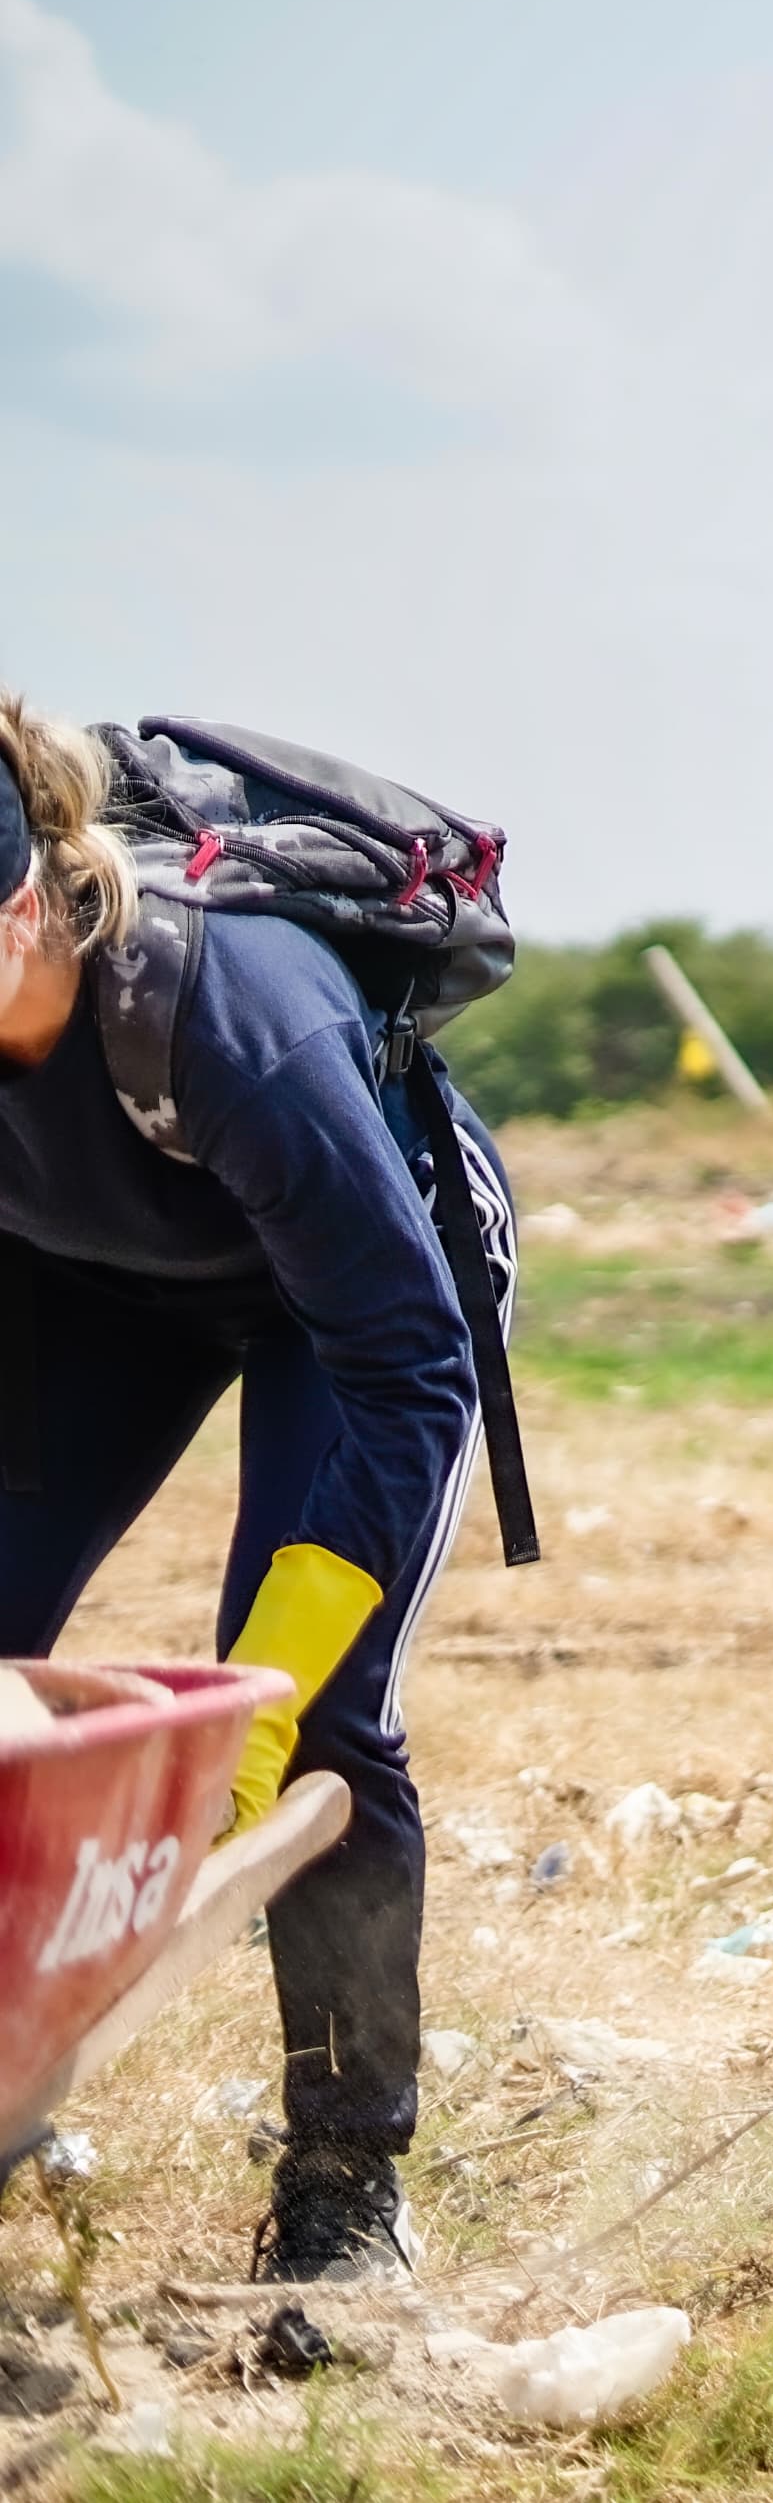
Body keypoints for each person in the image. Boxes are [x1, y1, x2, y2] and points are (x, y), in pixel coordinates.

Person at [0, 698, 515, 2278]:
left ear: (25, 899)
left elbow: (411, 1369)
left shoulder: (228, 1010)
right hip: (92, 1286)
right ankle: (15, 2095)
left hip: (353, 1314)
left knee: (324, 1714)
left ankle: (349, 2195)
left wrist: (270, 1681)